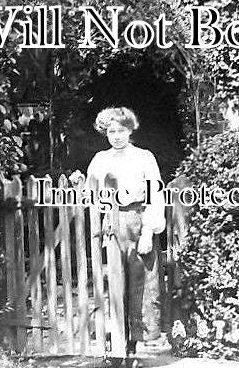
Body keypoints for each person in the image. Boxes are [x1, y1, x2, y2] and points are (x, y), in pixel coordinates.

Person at [86, 107, 165, 368]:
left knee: (142, 285)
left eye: (121, 131)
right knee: (116, 284)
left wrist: (148, 232)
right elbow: (91, 193)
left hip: (138, 219)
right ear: (105, 133)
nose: (116, 136)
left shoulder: (144, 157)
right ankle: (118, 348)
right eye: (111, 131)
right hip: (112, 223)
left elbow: (155, 194)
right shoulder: (100, 159)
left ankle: (141, 350)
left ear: (130, 131)